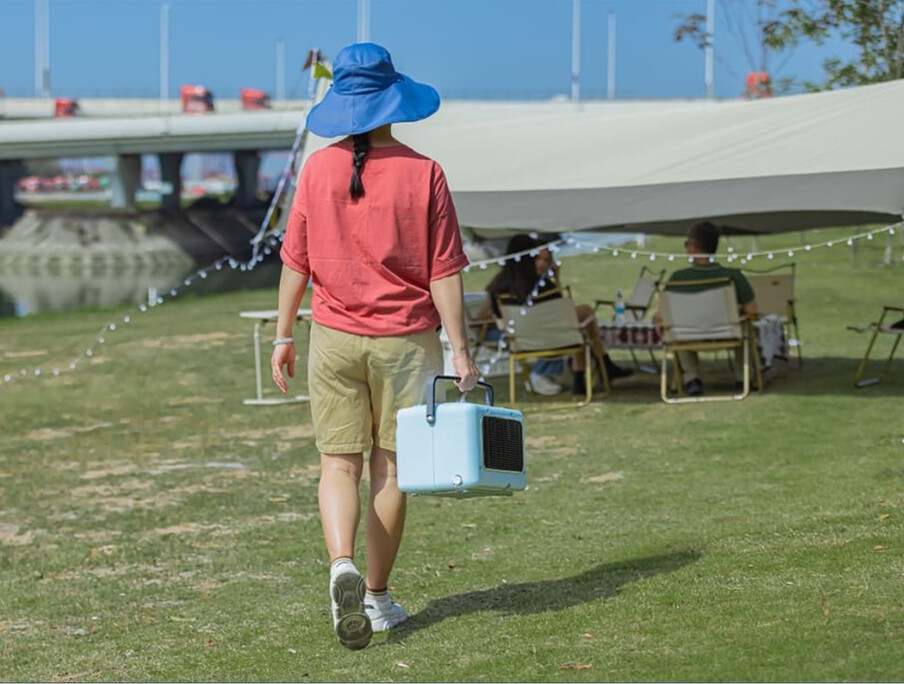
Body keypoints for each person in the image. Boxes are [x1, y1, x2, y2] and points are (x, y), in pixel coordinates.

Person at [270, 42, 481, 650]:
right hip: (406, 343)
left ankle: (341, 563)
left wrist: (283, 334)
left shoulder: (317, 170)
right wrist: (461, 351)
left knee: (338, 464)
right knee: (390, 469)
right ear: (393, 99)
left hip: (333, 339)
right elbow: (444, 271)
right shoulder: (425, 172)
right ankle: (377, 597)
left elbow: (295, 261)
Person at [477, 234, 633, 396]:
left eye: (547, 260)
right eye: (538, 258)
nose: (543, 264)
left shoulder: (499, 286)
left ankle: (597, 370)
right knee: (582, 318)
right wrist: (556, 280)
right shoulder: (541, 287)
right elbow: (561, 311)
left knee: (579, 326)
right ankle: (599, 366)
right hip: (550, 338)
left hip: (520, 340)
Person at [659, 221, 758, 396]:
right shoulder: (733, 276)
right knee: (744, 326)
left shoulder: (678, 278)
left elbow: (662, 314)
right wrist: (738, 311)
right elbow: (752, 311)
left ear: (692, 248)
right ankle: (743, 376)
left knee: (677, 327)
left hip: (688, 336)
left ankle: (692, 378)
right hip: (726, 333)